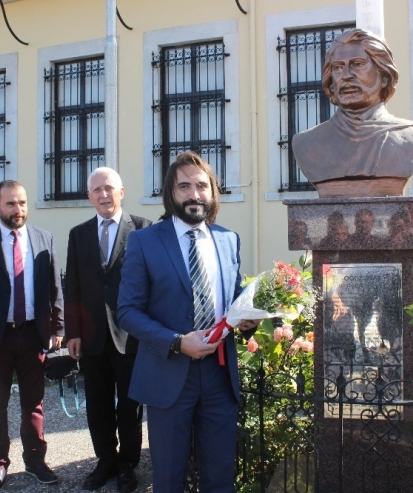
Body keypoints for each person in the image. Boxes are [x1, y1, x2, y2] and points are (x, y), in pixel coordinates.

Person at [117, 151, 258, 492]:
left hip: (220, 375)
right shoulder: (144, 241)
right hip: (169, 374)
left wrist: (247, 318)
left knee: (220, 474)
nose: (194, 194)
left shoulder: (228, 240)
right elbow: (127, 311)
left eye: (201, 186)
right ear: (171, 193)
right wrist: (178, 342)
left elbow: (234, 297)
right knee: (168, 476)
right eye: (184, 186)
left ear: (212, 192)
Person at [0, 180, 64, 492]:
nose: (18, 209)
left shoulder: (43, 237)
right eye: (10, 204)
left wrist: (58, 329)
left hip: (33, 335)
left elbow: (54, 289)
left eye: (22, 203)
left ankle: (36, 460)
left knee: (34, 404)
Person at [65, 167, 151, 492]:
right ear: (89, 196)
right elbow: (71, 286)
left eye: (109, 188)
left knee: (130, 405)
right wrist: (72, 332)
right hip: (91, 337)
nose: (104, 194)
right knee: (97, 404)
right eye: (97, 189)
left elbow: (151, 284)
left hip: (131, 336)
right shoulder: (78, 234)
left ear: (122, 191)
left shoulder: (142, 229)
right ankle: (105, 461)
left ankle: (128, 464)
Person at [291, 28, 413, 195]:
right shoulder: (307, 143)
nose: (345, 75)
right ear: (330, 83)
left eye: (358, 64)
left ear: (384, 76)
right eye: (338, 67)